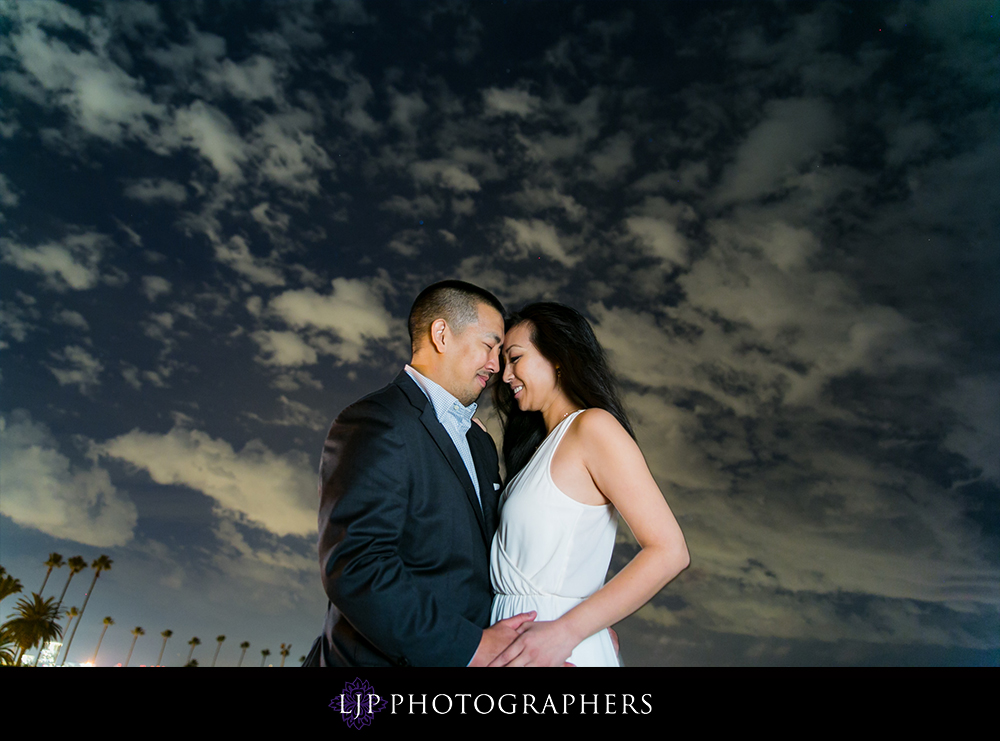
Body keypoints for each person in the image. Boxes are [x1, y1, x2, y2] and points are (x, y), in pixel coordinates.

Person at [309, 280, 535, 667]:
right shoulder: (377, 421)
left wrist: (576, 624)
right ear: (441, 334)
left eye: (500, 352)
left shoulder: (479, 443)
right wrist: (471, 647)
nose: (496, 366)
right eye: (488, 345)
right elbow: (358, 566)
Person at [488, 302, 690, 667]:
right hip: (515, 647)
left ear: (559, 359)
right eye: (503, 362)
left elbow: (669, 550)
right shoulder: (537, 450)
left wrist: (570, 631)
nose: (505, 375)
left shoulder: (592, 427)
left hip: (554, 649)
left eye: (515, 358)